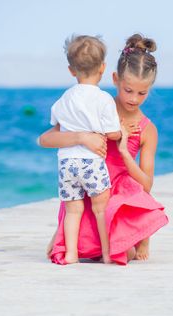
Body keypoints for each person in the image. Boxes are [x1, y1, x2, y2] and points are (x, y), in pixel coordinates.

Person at [40, 34, 168, 265]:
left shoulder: (148, 130)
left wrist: (125, 152)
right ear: (115, 79)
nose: (134, 99)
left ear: (150, 89)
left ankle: (139, 237)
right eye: (128, 90)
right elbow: (46, 139)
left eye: (142, 93)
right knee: (78, 220)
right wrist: (82, 137)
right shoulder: (96, 105)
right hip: (90, 190)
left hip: (118, 193)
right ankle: (63, 235)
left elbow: (146, 185)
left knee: (124, 253)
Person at [50, 35, 122, 264]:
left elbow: (56, 124)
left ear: (71, 70)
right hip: (91, 162)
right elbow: (111, 133)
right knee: (101, 208)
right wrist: (121, 133)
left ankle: (71, 254)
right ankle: (108, 253)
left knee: (73, 210)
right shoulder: (103, 99)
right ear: (102, 68)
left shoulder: (65, 97)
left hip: (66, 162)